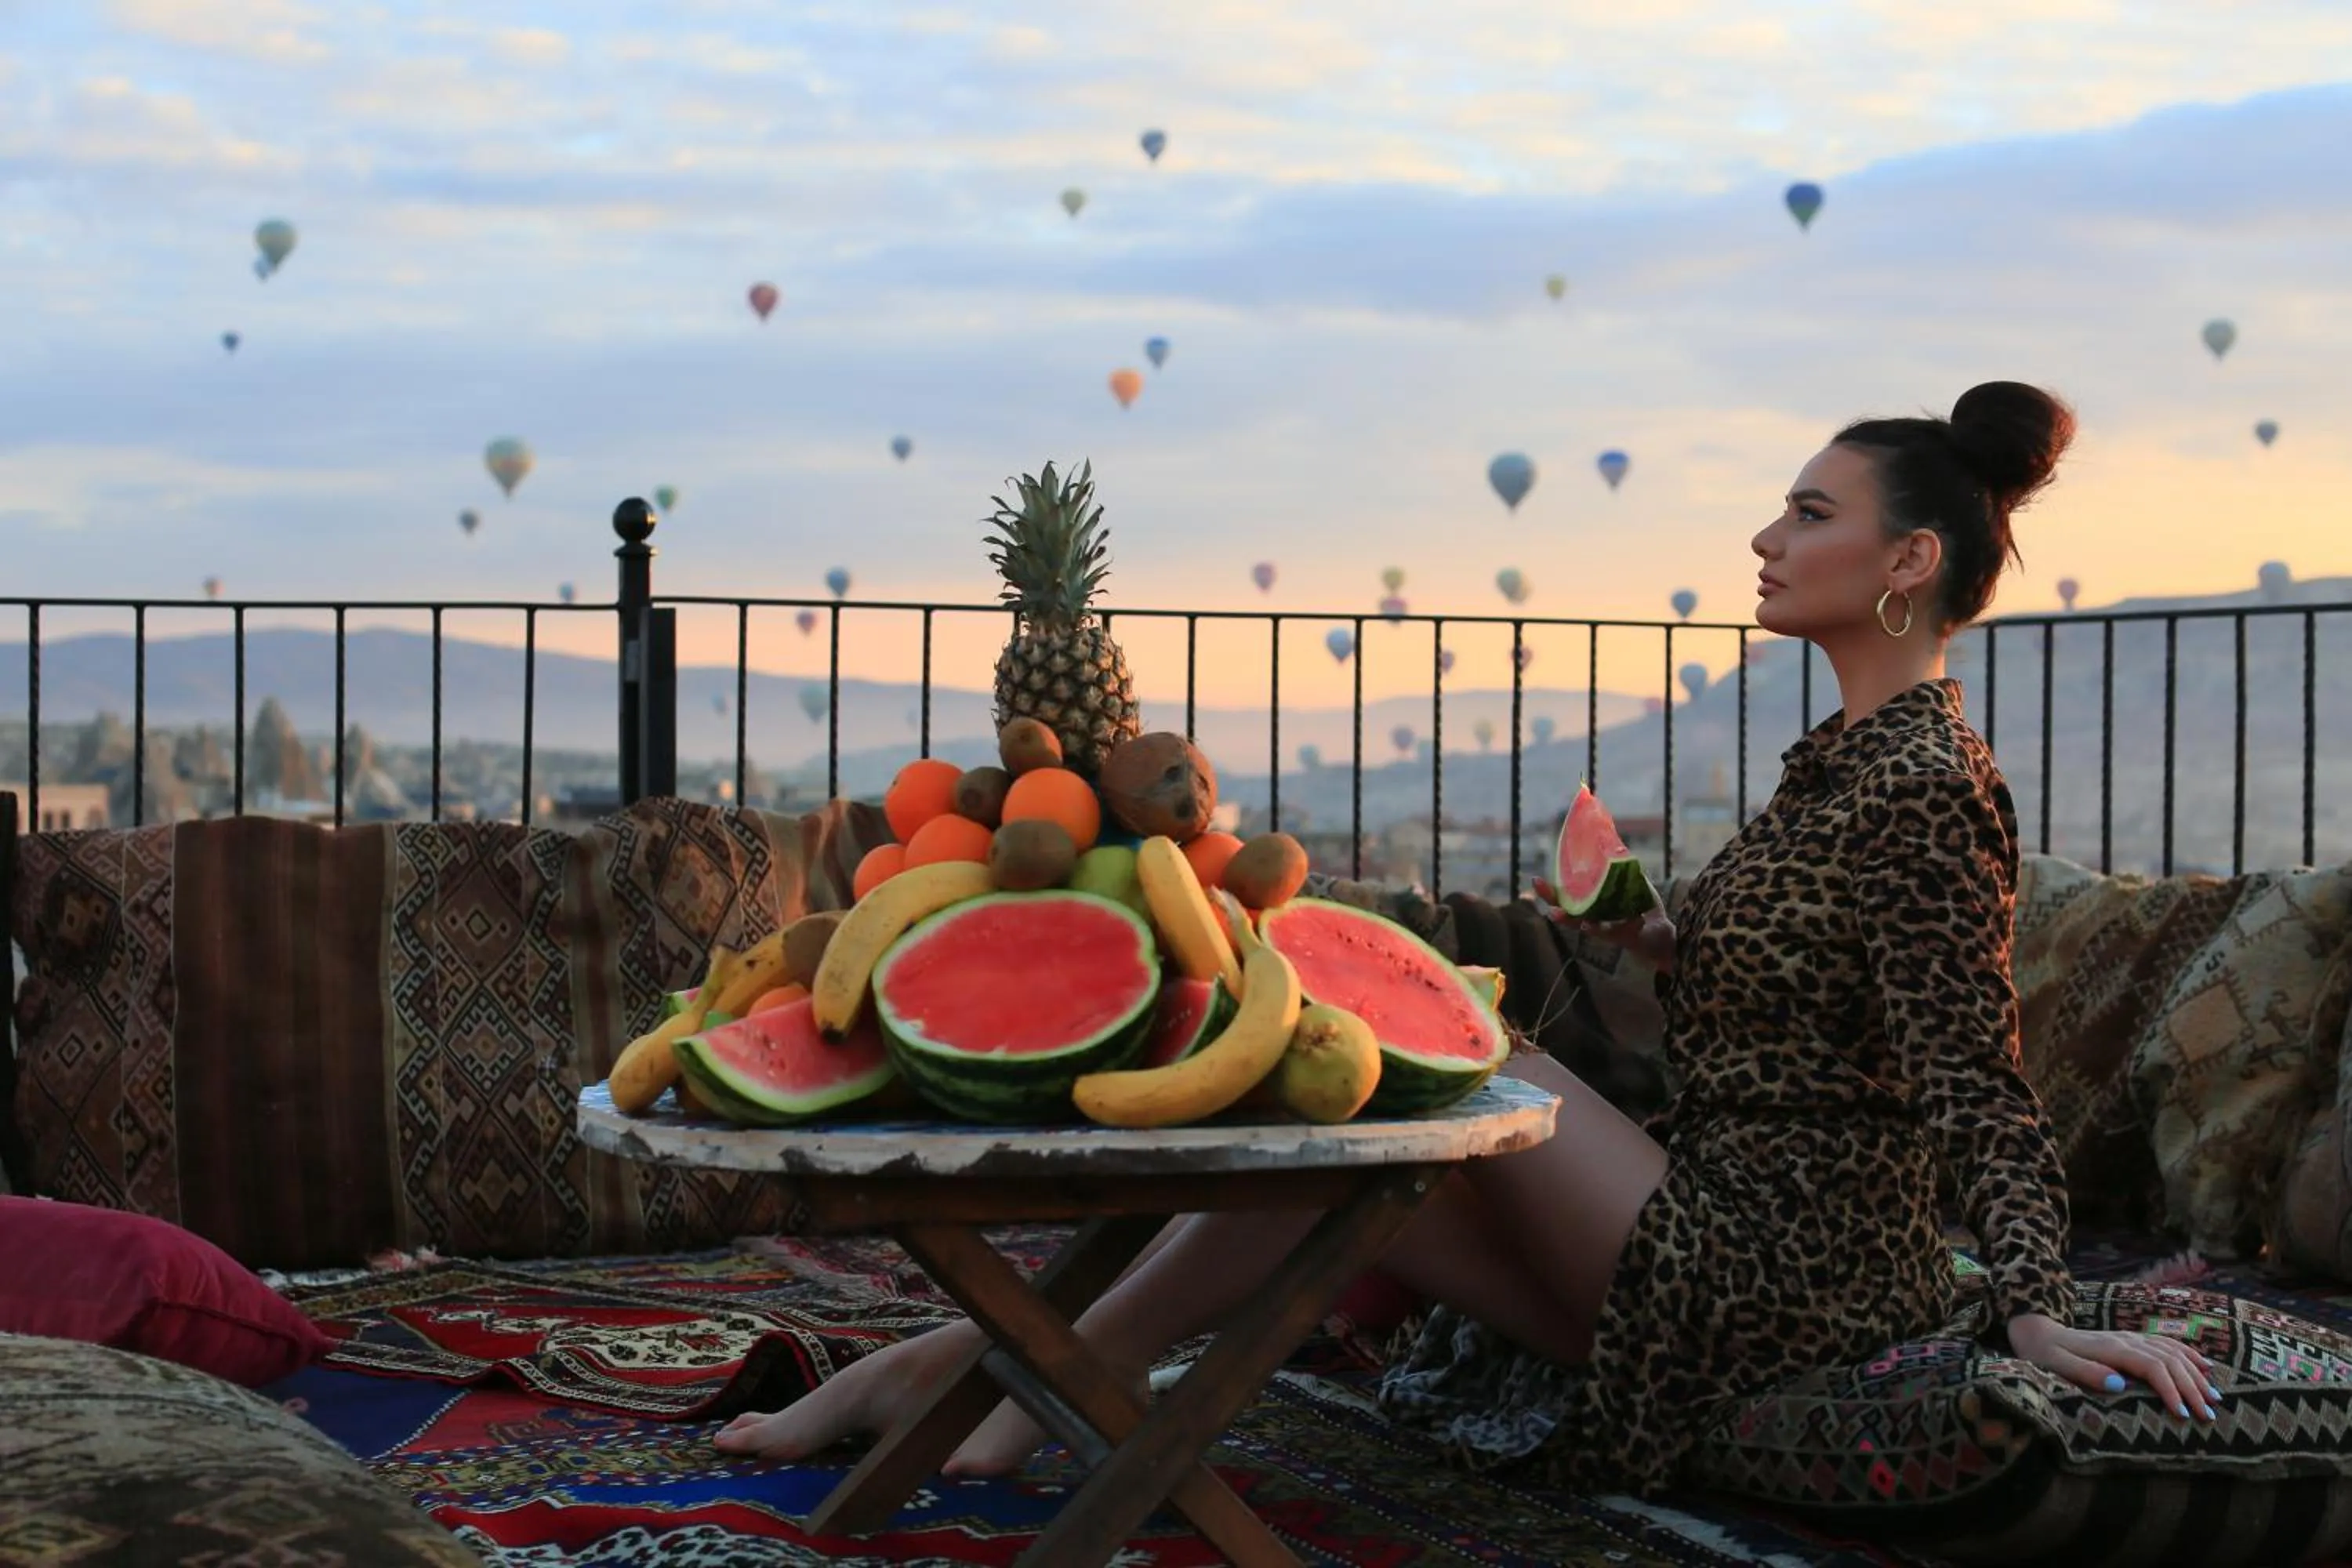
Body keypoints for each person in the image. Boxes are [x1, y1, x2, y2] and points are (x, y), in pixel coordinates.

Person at [714, 380, 2223, 1495]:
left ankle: (1031, 1370)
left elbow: (1972, 1072)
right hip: (1704, 1217)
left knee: (1426, 1064)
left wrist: (2030, 1302)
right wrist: (1643, 939)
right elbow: (1809, 1014)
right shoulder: (1834, 765)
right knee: (1362, 1161)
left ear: (1908, 567)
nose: (1767, 536)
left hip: (1778, 1278)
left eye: (1811, 514)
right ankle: (995, 1361)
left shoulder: (1926, 788)